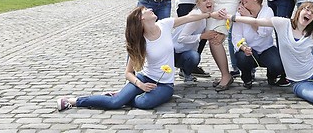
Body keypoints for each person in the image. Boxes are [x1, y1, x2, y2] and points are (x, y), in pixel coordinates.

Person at [56, 6, 222, 111]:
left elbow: (189, 18)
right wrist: (140, 84)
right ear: (141, 19)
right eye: (146, 10)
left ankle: (123, 97)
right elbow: (128, 73)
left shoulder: (164, 24)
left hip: (165, 85)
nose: (150, 9)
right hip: (145, 78)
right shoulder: (141, 43)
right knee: (115, 104)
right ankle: (73, 101)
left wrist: (210, 14)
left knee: (143, 104)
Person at [232, 0, 284, 89]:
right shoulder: (239, 14)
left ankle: (271, 76)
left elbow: (264, 32)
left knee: (277, 66)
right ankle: (247, 78)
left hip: (266, 49)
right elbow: (236, 37)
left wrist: (249, 18)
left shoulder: (267, 11)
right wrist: (243, 48)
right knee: (242, 58)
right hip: (249, 50)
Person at [172, 0, 221, 82]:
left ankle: (186, 72)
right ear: (198, 4)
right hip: (174, 52)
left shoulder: (204, 16)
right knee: (194, 57)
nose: (208, 2)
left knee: (195, 56)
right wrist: (202, 36)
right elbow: (181, 38)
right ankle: (186, 73)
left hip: (184, 51)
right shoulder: (196, 17)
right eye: (204, 0)